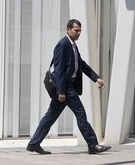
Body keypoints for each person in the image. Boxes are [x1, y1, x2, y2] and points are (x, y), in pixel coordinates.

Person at [27, 19, 111, 155]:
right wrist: (61, 91)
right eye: (76, 30)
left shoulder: (72, 45)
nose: (78, 33)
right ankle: (93, 145)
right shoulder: (63, 44)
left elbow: (81, 64)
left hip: (68, 87)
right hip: (65, 88)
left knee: (50, 117)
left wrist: (96, 78)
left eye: (80, 31)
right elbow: (59, 69)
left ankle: (34, 144)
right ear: (68, 29)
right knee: (81, 114)